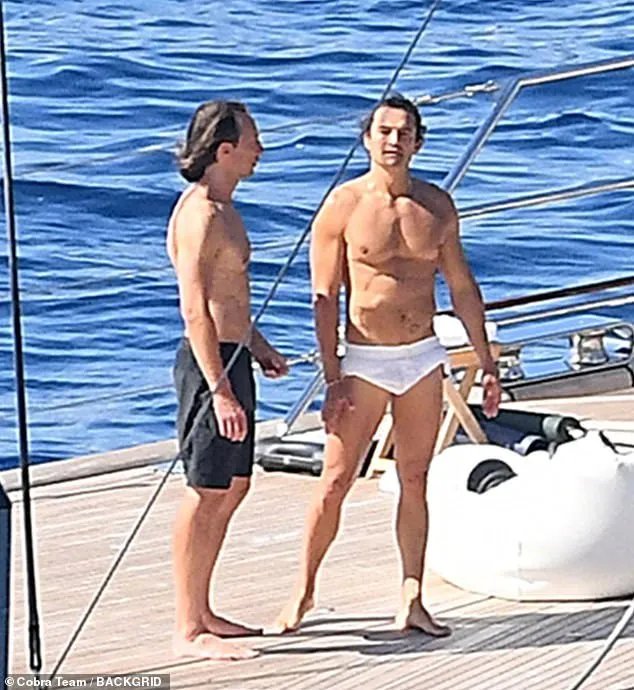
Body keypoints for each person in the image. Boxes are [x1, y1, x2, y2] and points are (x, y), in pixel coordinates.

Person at [274, 93, 501, 636]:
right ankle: (302, 592)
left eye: (404, 132)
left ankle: (412, 596)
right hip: (364, 360)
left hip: (421, 355)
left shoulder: (436, 206)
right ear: (367, 139)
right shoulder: (343, 205)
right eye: (384, 131)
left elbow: (462, 287)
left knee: (414, 477)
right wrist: (332, 377)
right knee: (335, 479)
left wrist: (486, 361)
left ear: (418, 143)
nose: (393, 140)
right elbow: (324, 297)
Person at [167, 100, 288, 660]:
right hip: (208, 363)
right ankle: (187, 626)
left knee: (235, 485)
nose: (260, 151)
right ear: (225, 150)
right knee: (206, 489)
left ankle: (204, 609)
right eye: (253, 141)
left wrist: (258, 347)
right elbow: (196, 310)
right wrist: (218, 390)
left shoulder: (228, 210)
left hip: (235, 355)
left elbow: (231, 298)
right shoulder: (200, 216)